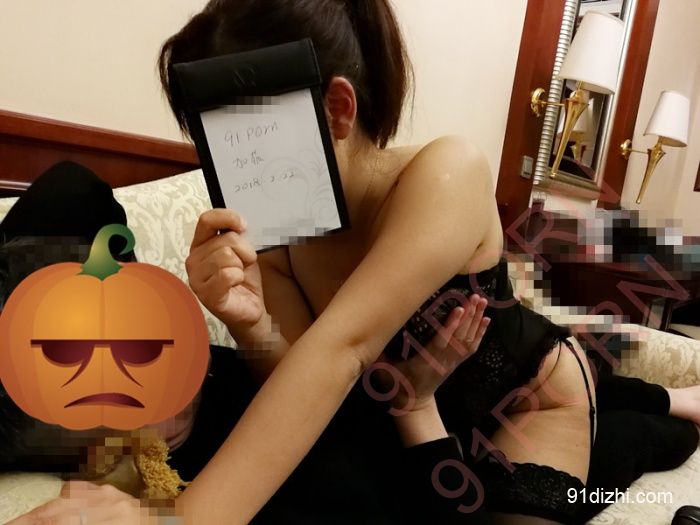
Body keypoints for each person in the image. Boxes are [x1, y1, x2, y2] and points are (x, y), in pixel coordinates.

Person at [7, 0, 699, 520]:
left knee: (609, 455)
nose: (235, 170)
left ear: (338, 109)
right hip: (396, 410)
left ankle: (663, 409)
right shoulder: (283, 224)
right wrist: (249, 322)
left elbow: (342, 350)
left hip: (519, 400)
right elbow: (305, 380)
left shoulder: (445, 173)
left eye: (244, 141)